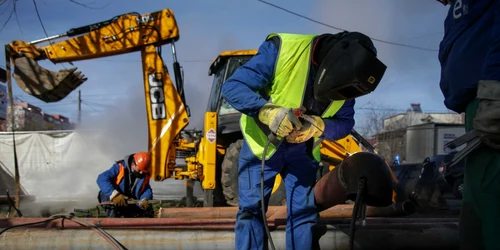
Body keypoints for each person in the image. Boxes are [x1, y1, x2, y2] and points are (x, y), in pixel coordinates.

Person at [221, 31, 386, 249]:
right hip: (262, 146)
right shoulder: (282, 50)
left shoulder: (350, 80)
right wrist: (267, 112)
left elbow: (345, 122)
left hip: (303, 150)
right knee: (251, 211)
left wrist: (320, 127)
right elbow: (233, 87)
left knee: (303, 213)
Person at [436, 0, 500, 249]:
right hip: (479, 101)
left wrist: (495, 86)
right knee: (479, 201)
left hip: (489, 96)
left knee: (489, 198)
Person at [96, 151, 154, 218]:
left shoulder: (144, 174)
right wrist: (114, 195)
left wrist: (145, 198)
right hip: (113, 198)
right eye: (140, 170)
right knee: (106, 197)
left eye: (143, 171)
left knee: (148, 212)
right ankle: (114, 224)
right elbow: (102, 178)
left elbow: (146, 189)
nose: (141, 173)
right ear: (133, 164)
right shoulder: (119, 168)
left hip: (130, 201)